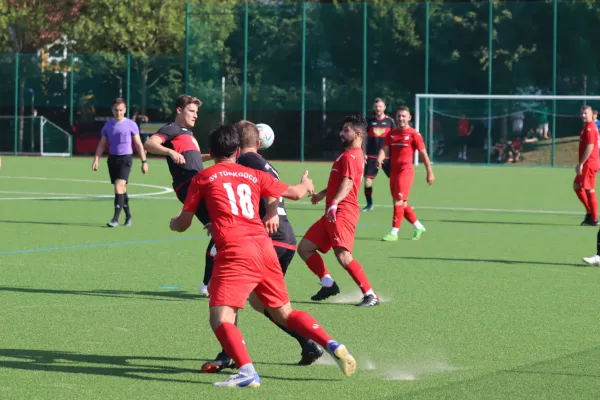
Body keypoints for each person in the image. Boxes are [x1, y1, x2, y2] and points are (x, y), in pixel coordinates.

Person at [169, 124, 356, 388]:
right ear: (237, 150)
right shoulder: (253, 175)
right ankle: (331, 343)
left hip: (235, 251)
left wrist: (174, 223)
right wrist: (306, 184)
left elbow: (184, 222)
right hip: (265, 249)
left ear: (210, 152)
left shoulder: (203, 178)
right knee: (285, 313)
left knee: (221, 318)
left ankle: (247, 372)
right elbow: (295, 193)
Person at [200, 120, 323, 373]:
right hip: (274, 238)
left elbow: (268, 190)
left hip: (265, 238)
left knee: (233, 297)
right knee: (261, 303)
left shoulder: (246, 163)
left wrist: (272, 210)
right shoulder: (260, 162)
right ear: (258, 143)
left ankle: (230, 356)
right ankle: (310, 343)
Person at [297, 115, 379, 307]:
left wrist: (333, 203)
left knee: (343, 255)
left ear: (358, 134)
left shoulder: (353, 155)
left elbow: (348, 183)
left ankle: (370, 294)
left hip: (343, 211)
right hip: (332, 211)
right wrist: (322, 195)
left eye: (346, 130)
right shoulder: (347, 155)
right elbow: (340, 182)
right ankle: (328, 284)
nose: (341, 133)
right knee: (305, 248)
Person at [144, 94, 214, 295]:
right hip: (189, 186)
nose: (195, 116)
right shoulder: (171, 129)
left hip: (198, 184)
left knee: (221, 228)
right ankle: (208, 283)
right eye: (191, 111)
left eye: (197, 112)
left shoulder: (188, 133)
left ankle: (210, 282)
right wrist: (170, 153)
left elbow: (193, 159)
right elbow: (150, 144)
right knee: (222, 228)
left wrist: (213, 157)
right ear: (179, 110)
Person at [378, 106, 434, 242]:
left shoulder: (414, 134)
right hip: (394, 172)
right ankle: (418, 226)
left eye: (404, 116)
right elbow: (384, 149)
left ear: (409, 118)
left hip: (406, 172)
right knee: (401, 204)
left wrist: (429, 172)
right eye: (399, 116)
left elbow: (423, 154)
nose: (401, 118)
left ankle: (394, 232)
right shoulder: (391, 134)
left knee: (398, 200)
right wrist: (380, 158)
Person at [92, 98, 147, 227]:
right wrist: (96, 159)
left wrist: (144, 161)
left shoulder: (131, 125)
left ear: (125, 110)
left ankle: (115, 219)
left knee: (118, 186)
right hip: (112, 159)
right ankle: (128, 216)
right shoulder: (108, 125)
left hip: (126, 159)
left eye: (121, 110)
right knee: (121, 189)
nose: (119, 113)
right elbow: (102, 144)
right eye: (116, 110)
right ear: (112, 110)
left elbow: (138, 144)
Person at [362, 98, 396, 212]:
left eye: (380, 106)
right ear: (374, 108)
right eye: (376, 106)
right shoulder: (370, 121)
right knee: (367, 181)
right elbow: (365, 138)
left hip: (387, 156)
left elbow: (394, 138)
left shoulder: (390, 121)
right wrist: (364, 152)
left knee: (395, 180)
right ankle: (369, 204)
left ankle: (399, 202)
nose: (378, 108)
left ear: (384, 108)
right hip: (372, 155)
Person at [574, 105, 599, 226]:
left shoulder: (590, 128)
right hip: (589, 163)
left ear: (591, 114)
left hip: (589, 163)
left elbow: (590, 146)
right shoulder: (587, 127)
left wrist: (581, 164)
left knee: (589, 189)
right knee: (577, 186)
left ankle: (594, 219)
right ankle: (589, 212)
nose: (583, 115)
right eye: (582, 113)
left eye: (585, 113)